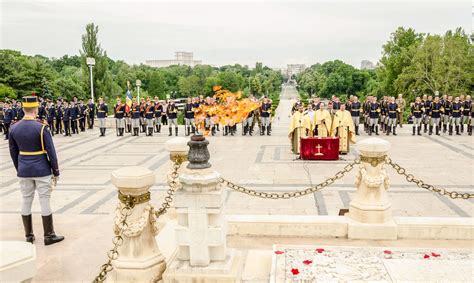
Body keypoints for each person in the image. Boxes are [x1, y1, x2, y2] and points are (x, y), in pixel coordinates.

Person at [8, 96, 64, 245]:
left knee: (26, 200)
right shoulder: (42, 127)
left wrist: (20, 168)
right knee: (44, 200)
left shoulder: (13, 128)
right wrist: (56, 171)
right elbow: (51, 152)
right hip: (42, 169)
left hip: (24, 169)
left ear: (23, 109)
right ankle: (49, 235)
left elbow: (13, 153)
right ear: (35, 109)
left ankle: (29, 235)